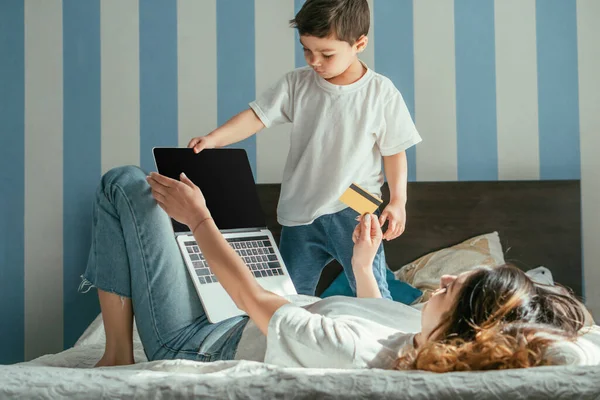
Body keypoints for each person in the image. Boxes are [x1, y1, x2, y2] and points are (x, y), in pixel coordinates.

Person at [84, 166, 586, 371]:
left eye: (457, 287)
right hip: (241, 311)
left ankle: (118, 355)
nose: (446, 279)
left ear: (465, 325)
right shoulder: (424, 331)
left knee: (126, 183)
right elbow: (377, 311)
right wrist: (364, 266)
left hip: (200, 338)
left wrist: (198, 218)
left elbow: (252, 301)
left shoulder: (353, 352)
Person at [186, 0, 422, 299]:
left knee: (372, 290)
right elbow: (258, 116)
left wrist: (398, 201)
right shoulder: (297, 83)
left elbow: (394, 151)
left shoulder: (381, 93)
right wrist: (215, 138)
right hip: (299, 209)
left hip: (357, 201)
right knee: (289, 298)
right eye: (306, 50)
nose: (314, 61)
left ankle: (383, 340)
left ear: (359, 44)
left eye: (326, 53)